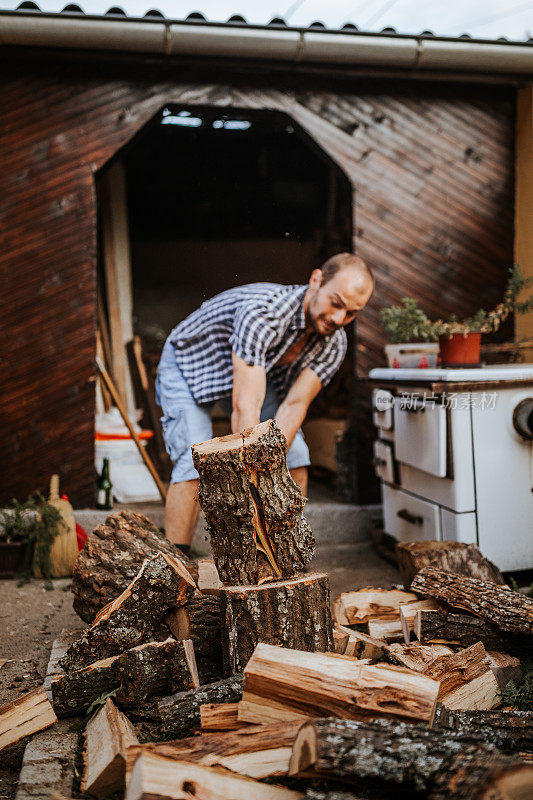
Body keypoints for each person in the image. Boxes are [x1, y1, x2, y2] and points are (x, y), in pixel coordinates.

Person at [156, 252, 374, 552]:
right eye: (335, 303)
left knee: (295, 455)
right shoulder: (265, 311)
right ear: (316, 281)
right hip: (189, 364)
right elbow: (246, 406)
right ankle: (174, 567)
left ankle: (284, 550)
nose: (338, 319)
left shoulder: (335, 343)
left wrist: (270, 469)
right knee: (194, 461)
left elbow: (294, 406)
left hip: (249, 372)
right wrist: (252, 481)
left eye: (351, 313)